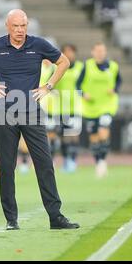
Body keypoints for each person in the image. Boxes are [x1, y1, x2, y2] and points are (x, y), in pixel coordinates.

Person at [0, 9, 80, 230]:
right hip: (4, 112)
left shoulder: (38, 45)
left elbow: (64, 62)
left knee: (45, 164)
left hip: (32, 111)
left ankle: (55, 217)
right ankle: (11, 219)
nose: (20, 30)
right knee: (7, 167)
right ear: (7, 26)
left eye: (23, 26)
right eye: (16, 26)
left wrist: (48, 86)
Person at [77, 42, 122, 178]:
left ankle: (103, 160)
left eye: (102, 51)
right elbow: (77, 84)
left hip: (107, 105)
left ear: (105, 52)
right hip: (90, 107)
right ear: (93, 52)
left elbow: (119, 81)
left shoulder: (113, 66)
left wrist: (114, 89)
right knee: (94, 138)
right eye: (97, 51)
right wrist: (83, 94)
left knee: (103, 131)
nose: (100, 53)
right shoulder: (87, 66)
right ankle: (98, 161)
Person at [55, 44, 84, 173]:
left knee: (73, 134)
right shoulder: (59, 67)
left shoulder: (81, 67)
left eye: (71, 52)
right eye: (66, 52)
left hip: (76, 106)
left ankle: (73, 160)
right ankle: (66, 160)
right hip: (62, 107)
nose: (69, 54)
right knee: (63, 136)